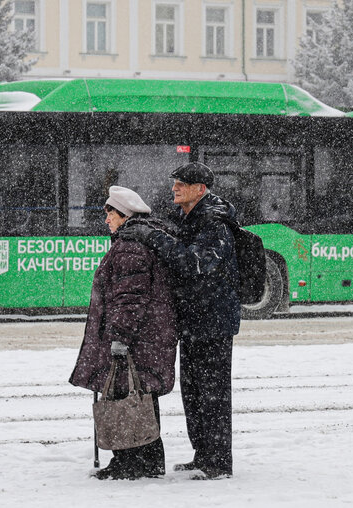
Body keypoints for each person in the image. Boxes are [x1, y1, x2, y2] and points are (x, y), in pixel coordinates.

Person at [119, 162, 240, 480]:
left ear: (200, 189)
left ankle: (218, 461)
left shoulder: (214, 222)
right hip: (194, 318)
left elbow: (194, 262)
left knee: (212, 392)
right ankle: (203, 454)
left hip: (213, 322)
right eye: (174, 182)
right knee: (194, 391)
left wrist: (150, 235)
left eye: (181, 184)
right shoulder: (190, 216)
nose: (174, 188)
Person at [69, 185, 177, 480]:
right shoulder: (139, 239)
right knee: (141, 397)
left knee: (124, 396)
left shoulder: (130, 245)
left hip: (136, 340)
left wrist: (120, 338)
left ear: (124, 215)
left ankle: (128, 461)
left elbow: (129, 297)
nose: (106, 219)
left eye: (110, 213)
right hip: (147, 338)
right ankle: (150, 461)